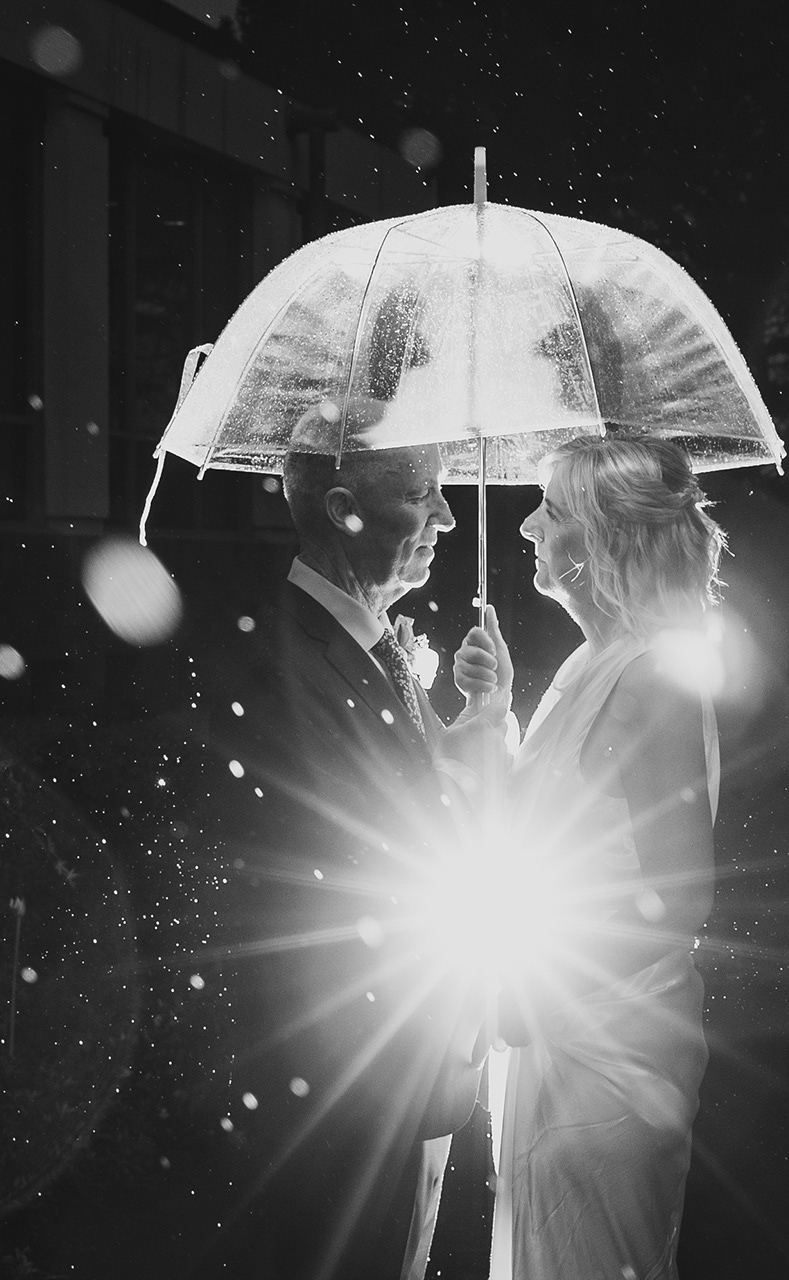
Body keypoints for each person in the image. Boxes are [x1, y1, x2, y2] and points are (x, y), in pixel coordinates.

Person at [200, 398, 506, 1280]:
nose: (448, 516)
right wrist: (469, 768)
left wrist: (463, 726)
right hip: (348, 1082)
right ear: (343, 510)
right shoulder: (287, 663)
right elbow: (365, 857)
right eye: (422, 493)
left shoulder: (365, 647)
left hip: (396, 1067)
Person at [452, 433, 723, 1280]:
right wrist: (493, 709)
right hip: (559, 1033)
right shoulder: (591, 663)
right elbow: (550, 831)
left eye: (551, 511)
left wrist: (543, 993)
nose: (527, 527)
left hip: (614, 1056)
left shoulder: (652, 678)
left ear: (607, 539)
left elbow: (683, 897)